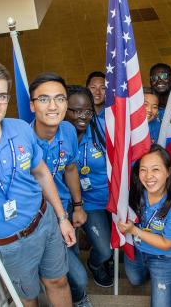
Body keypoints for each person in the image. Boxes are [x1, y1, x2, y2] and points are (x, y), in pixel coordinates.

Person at [0, 58, 75, 307]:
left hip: (45, 222)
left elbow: (41, 173)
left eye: (1, 96)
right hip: (8, 245)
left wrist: (62, 218)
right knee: (27, 299)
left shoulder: (20, 129)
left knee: (58, 282)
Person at [28, 73, 92, 307]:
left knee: (74, 267)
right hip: (38, 219)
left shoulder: (66, 129)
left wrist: (77, 206)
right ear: (32, 105)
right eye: (44, 99)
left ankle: (78, 298)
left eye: (60, 99)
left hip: (64, 211)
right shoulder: (23, 142)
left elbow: (71, 168)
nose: (53, 106)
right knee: (75, 277)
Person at [117, 144, 171, 307]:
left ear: (168, 171)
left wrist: (134, 230)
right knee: (135, 280)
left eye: (155, 169)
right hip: (137, 250)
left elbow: (168, 243)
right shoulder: (135, 191)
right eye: (143, 169)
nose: (148, 176)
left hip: (163, 258)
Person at [65, 86, 115, 288]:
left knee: (117, 245)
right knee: (105, 250)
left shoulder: (103, 128)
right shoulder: (57, 134)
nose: (82, 116)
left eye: (87, 111)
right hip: (86, 204)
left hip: (113, 198)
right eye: (75, 111)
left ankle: (102, 260)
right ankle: (96, 264)